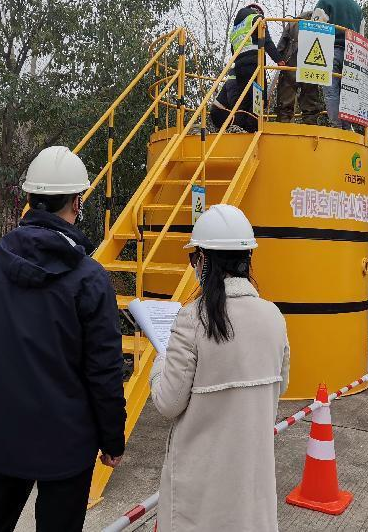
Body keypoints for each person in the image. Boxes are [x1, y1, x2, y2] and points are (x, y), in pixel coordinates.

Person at [0, 146, 126, 532]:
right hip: (69, 446)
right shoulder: (89, 279)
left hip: (4, 437)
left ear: (29, 198)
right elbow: (104, 371)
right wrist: (112, 438)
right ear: (77, 202)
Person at [150, 204, 290, 532]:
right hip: (251, 486)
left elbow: (168, 402)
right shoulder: (273, 316)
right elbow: (280, 386)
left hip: (201, 490)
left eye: (194, 258)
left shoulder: (192, 319)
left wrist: (160, 361)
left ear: (204, 260)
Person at [215, 2, 286, 133]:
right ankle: (252, 128)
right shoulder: (257, 19)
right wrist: (278, 60)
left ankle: (240, 126)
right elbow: (267, 41)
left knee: (245, 99)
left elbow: (233, 50)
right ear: (257, 11)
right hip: (254, 65)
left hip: (239, 67)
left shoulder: (235, 29)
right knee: (259, 97)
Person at [312, 0, 365, 128]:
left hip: (332, 51)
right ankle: (347, 129)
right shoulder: (357, 8)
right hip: (353, 56)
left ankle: (336, 126)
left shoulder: (325, 2)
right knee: (348, 93)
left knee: (331, 92)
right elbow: (361, 37)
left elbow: (315, 30)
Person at [275, 10, 322, 124]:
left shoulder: (292, 23)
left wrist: (280, 60)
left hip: (291, 64)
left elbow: (281, 47)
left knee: (286, 99)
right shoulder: (320, 27)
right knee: (310, 98)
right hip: (311, 66)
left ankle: (284, 125)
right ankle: (310, 126)